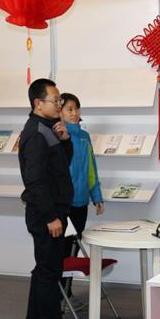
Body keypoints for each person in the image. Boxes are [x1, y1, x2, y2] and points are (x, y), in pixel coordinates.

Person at [18, 78, 81, 319]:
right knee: (49, 272)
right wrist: (51, 217)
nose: (59, 105)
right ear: (38, 103)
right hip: (47, 214)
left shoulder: (49, 128)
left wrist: (65, 141)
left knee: (43, 270)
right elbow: (35, 181)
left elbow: (59, 166)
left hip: (52, 210)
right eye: (55, 101)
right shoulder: (34, 133)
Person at [60, 92, 104, 254]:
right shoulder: (58, 136)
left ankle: (66, 281)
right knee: (61, 250)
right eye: (69, 109)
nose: (74, 113)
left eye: (77, 109)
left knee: (74, 248)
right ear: (60, 112)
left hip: (81, 202)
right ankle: (58, 280)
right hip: (64, 204)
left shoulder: (84, 137)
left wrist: (96, 196)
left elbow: (91, 169)